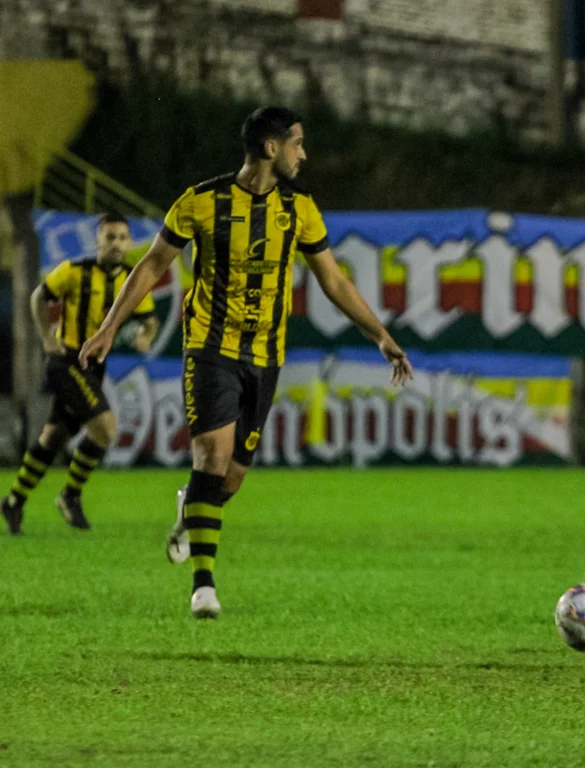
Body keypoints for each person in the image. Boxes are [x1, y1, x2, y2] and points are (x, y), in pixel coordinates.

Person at [78, 106, 412, 620]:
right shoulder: (201, 202)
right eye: (297, 143)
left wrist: (381, 335)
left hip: (265, 356)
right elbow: (152, 265)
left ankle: (191, 507)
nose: (304, 154)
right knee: (212, 453)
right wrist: (107, 328)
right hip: (210, 348)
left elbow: (334, 281)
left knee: (228, 480)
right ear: (271, 148)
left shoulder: (300, 209)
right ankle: (204, 587)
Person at [2, 213, 158, 534]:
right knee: (105, 428)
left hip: (94, 368)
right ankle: (70, 496)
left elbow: (150, 319)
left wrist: (146, 335)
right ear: (97, 239)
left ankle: (13, 500)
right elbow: (38, 297)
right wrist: (47, 339)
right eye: (109, 236)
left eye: (122, 238)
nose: (116, 243)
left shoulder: (131, 280)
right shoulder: (75, 271)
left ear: (129, 243)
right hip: (67, 361)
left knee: (54, 436)